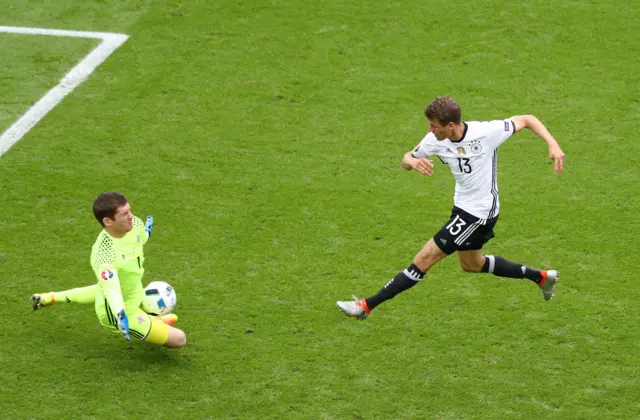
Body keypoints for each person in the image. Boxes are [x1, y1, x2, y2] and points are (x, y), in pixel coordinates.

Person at [336, 96, 565, 320]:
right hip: (462, 208)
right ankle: (542, 277)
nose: (430, 130)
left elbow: (527, 119)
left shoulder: (486, 133)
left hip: (479, 213)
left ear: (451, 125)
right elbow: (406, 158)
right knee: (472, 265)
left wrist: (553, 144)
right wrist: (413, 162)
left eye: (434, 126)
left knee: (423, 260)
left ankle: (365, 306)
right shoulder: (434, 140)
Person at [29, 192, 187, 348]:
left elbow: (140, 238)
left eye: (130, 210)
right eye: (125, 214)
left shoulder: (135, 224)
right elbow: (112, 290)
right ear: (108, 221)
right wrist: (120, 314)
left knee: (101, 289)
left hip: (133, 291)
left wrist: (147, 232)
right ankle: (149, 321)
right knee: (180, 339)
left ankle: (51, 297)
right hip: (119, 312)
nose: (131, 216)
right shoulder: (104, 255)